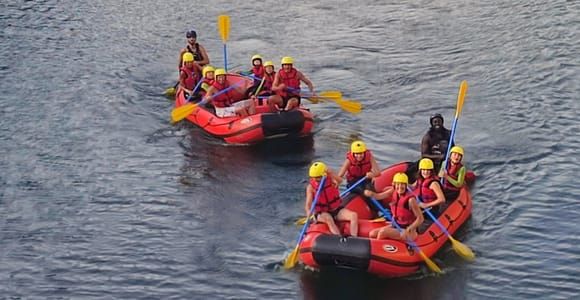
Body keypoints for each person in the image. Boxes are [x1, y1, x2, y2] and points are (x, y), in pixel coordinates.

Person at [364, 173, 424, 240]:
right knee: (372, 234)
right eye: (398, 184)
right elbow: (379, 196)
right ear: (394, 185)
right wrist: (371, 194)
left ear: (406, 185)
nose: (400, 187)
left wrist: (409, 228)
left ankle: (377, 248)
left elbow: (420, 218)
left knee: (383, 232)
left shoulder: (411, 200)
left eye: (402, 184)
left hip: (408, 230)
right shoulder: (393, 191)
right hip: (396, 226)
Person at [305, 162, 359, 237]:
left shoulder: (331, 179)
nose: (316, 179)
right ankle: (339, 238)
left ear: (324, 174)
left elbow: (340, 181)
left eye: (318, 177)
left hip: (336, 210)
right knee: (329, 220)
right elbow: (308, 204)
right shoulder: (311, 187)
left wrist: (331, 174)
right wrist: (309, 214)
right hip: (322, 213)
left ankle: (354, 237)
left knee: (354, 215)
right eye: (314, 177)